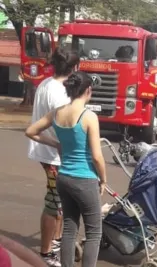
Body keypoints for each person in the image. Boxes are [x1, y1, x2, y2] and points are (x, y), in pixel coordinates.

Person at [25, 71, 107, 267]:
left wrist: (56, 144)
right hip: (85, 179)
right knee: (94, 232)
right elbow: (97, 156)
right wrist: (103, 179)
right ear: (88, 90)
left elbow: (31, 131)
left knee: (70, 229)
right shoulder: (89, 117)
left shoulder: (57, 113)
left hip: (64, 177)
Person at [26, 48, 80, 267]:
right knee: (55, 204)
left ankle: (56, 243)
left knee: (60, 202)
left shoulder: (47, 84)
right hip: (53, 154)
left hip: (50, 152)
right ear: (75, 68)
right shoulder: (58, 92)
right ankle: (47, 252)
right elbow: (62, 127)